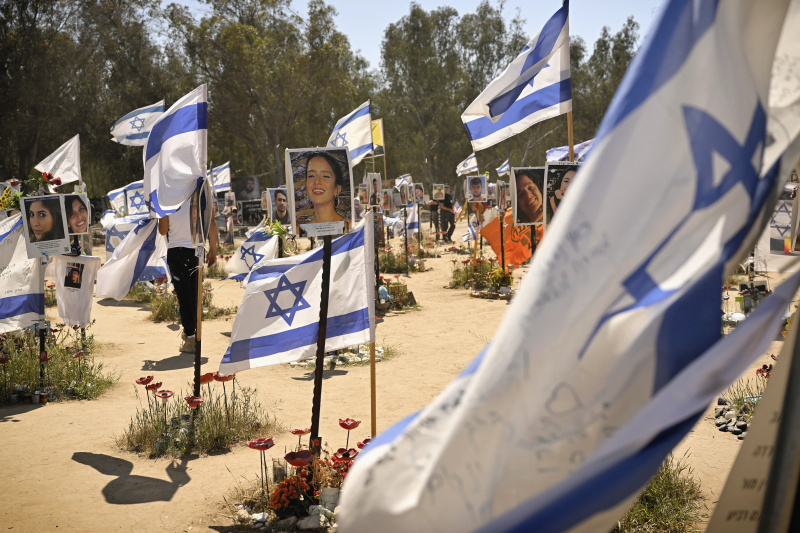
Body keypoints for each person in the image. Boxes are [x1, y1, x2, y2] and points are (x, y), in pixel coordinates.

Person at [158, 196, 218, 353]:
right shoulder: (202, 188)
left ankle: (190, 337)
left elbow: (163, 230)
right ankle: (193, 334)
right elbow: (211, 222)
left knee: (184, 297)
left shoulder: (168, 195)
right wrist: (213, 250)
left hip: (177, 250)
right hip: (197, 250)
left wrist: (161, 212)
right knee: (194, 295)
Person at [305, 152, 345, 223]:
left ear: (337, 189)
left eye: (325, 176)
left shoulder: (349, 227)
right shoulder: (301, 230)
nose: (317, 181)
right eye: (311, 176)